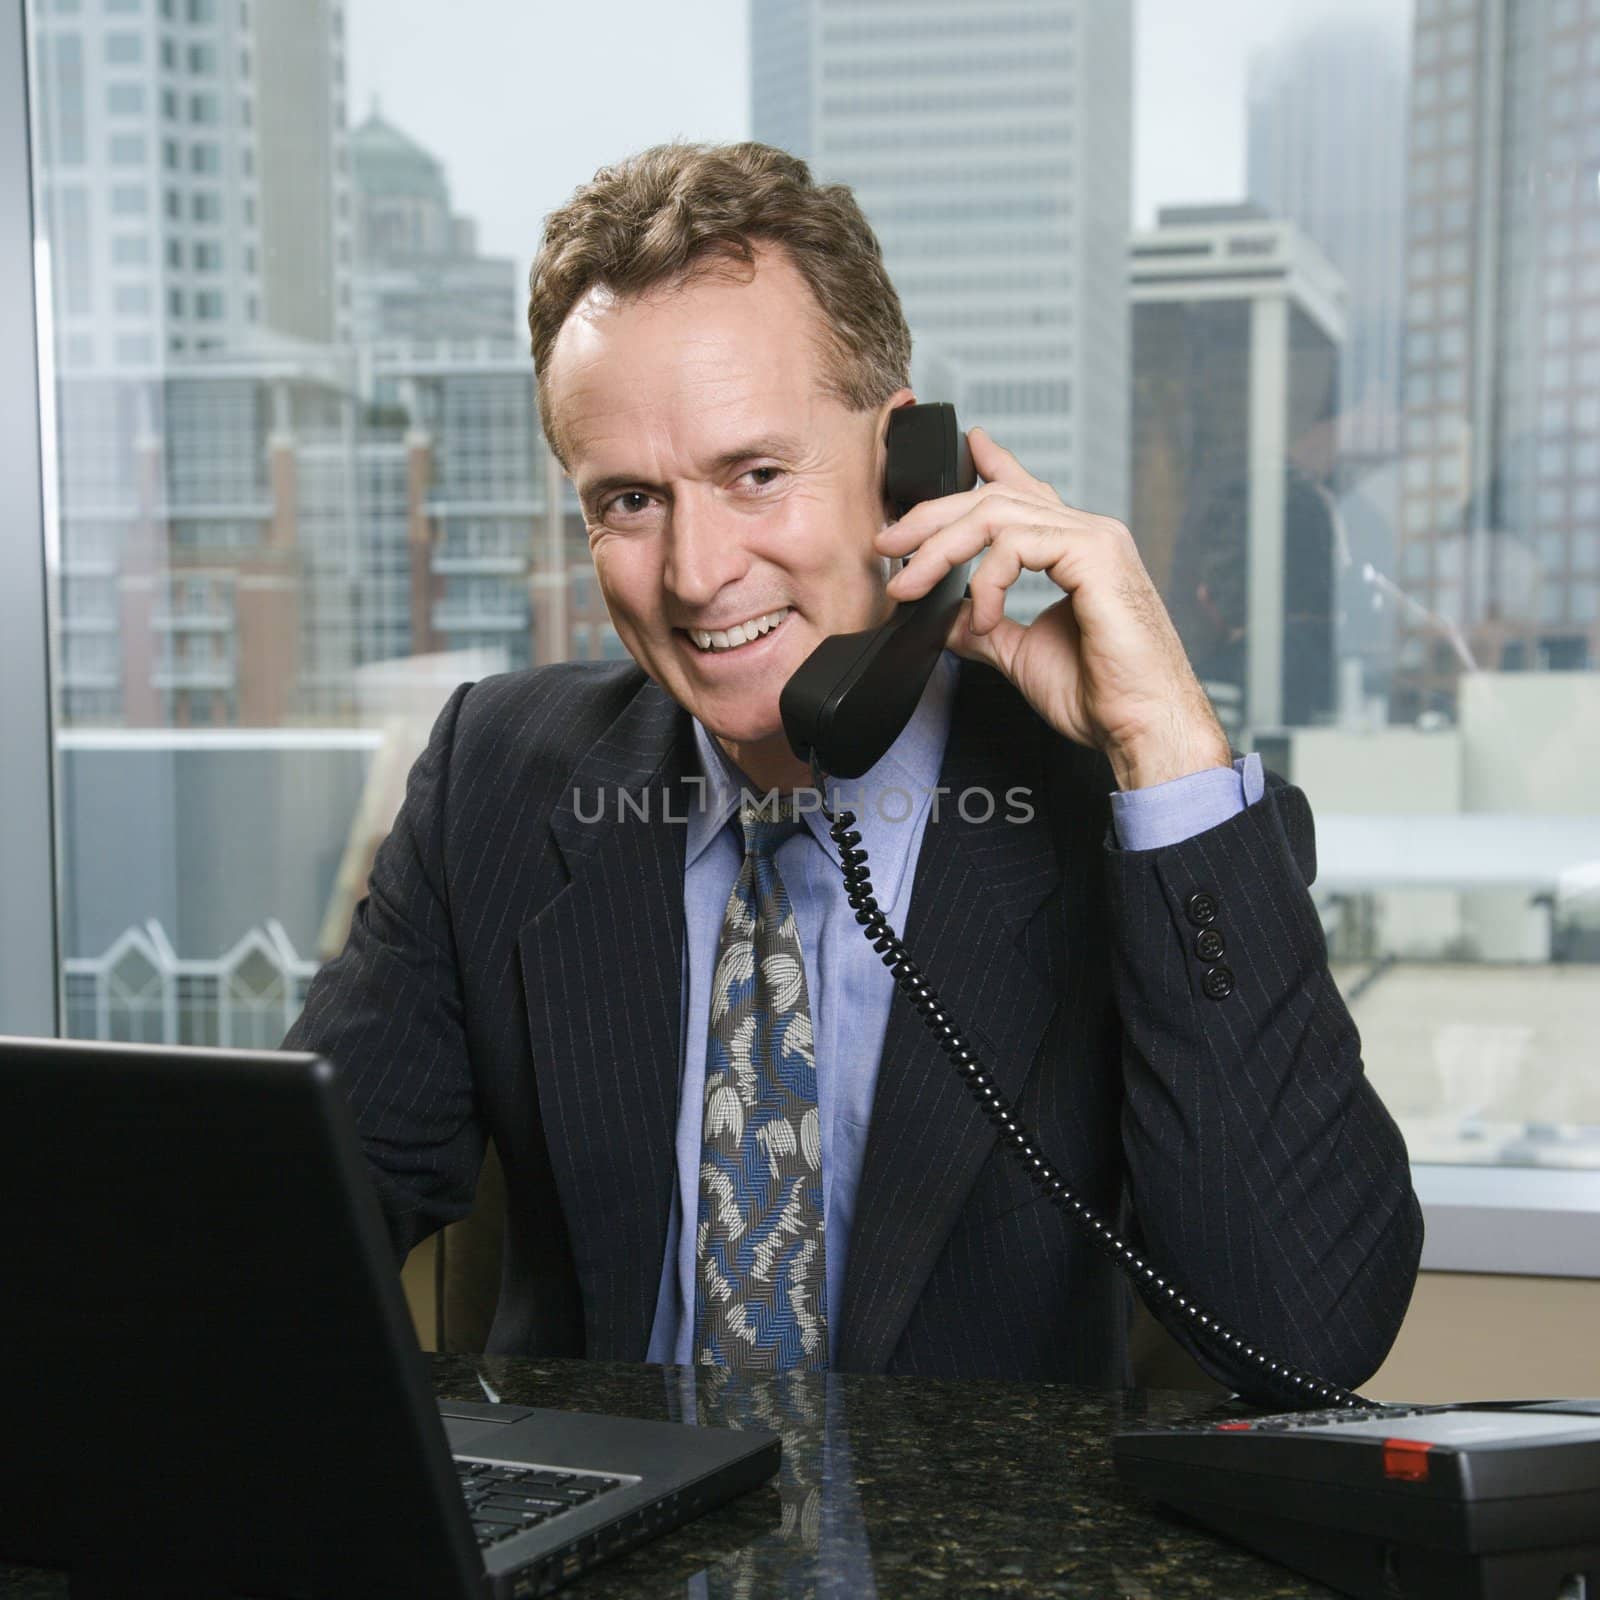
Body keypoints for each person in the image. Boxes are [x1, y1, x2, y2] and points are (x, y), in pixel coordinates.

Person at [285, 142, 1421, 1400]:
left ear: (904, 462)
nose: (697, 572)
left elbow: (1313, 1331)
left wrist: (1162, 747)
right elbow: (271, 1234)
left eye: (755, 474)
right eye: (628, 502)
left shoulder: (1134, 824)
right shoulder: (493, 784)